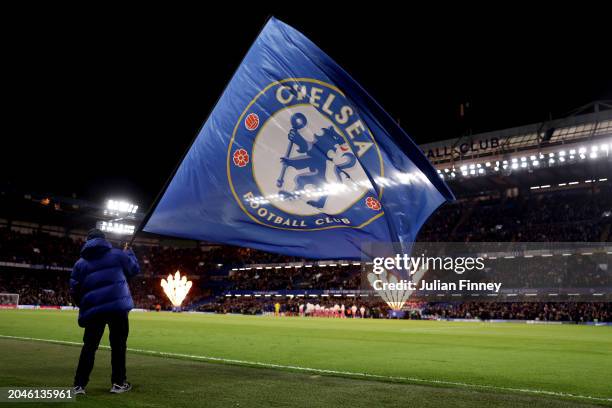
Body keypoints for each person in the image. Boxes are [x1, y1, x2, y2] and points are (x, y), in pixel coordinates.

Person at [69, 229, 140, 395]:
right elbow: (134, 270)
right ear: (104, 239)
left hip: (94, 310)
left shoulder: (80, 263)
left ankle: (79, 385)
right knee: (118, 346)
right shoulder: (117, 255)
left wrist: (85, 305)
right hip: (118, 308)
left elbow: (74, 289)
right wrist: (129, 252)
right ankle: (118, 383)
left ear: (87, 241)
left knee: (89, 347)